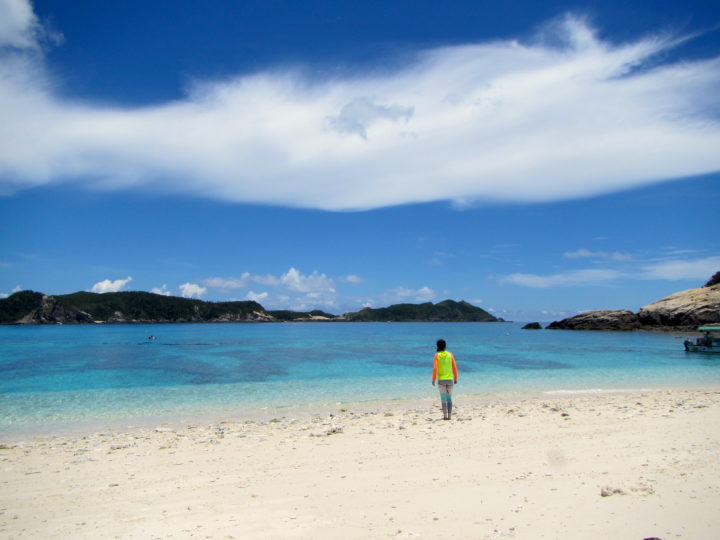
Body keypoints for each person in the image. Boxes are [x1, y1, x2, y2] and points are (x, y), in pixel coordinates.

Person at [431, 339, 458, 420]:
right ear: (445, 346)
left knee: (443, 399)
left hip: (441, 380)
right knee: (449, 398)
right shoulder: (450, 354)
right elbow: (454, 367)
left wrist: (433, 379)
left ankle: (445, 416)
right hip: (450, 379)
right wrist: (456, 378)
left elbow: (435, 368)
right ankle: (449, 416)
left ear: (437, 346)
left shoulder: (436, 355)